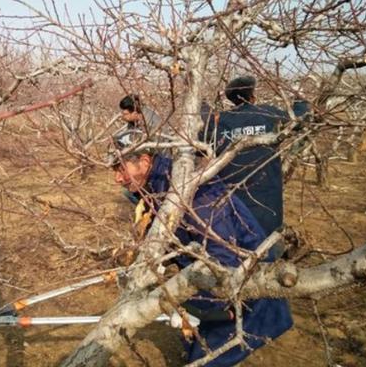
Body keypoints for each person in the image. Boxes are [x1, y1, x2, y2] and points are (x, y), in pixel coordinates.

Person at [109, 129, 293, 366]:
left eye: (120, 169)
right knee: (197, 341)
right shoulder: (160, 184)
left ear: (144, 162)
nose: (116, 179)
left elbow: (225, 262)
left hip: (249, 293)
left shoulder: (195, 197)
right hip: (214, 274)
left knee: (205, 361)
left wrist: (203, 305)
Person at [203, 76, 310, 238]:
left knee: (236, 241)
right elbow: (301, 119)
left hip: (231, 200)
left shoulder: (219, 121)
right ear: (252, 96)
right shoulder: (268, 113)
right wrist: (299, 96)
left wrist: (202, 107)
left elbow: (199, 143)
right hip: (266, 198)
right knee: (266, 242)